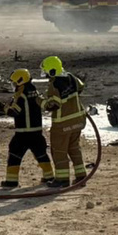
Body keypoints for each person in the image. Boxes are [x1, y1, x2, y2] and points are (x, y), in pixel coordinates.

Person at [0, 68, 54, 188]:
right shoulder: (33, 90)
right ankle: (49, 177)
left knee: (14, 154)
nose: (13, 85)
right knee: (41, 154)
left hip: (23, 133)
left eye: (14, 83)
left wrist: (4, 108)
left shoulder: (22, 95)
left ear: (20, 81)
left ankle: (11, 181)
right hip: (36, 132)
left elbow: (14, 112)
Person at [41, 55, 87, 187]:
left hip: (62, 125)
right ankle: (81, 176)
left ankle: (62, 179)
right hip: (78, 121)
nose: (45, 75)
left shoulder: (54, 84)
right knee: (74, 149)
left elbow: (52, 105)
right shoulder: (72, 77)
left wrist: (39, 100)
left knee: (59, 151)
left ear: (52, 71)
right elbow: (81, 87)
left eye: (46, 71)